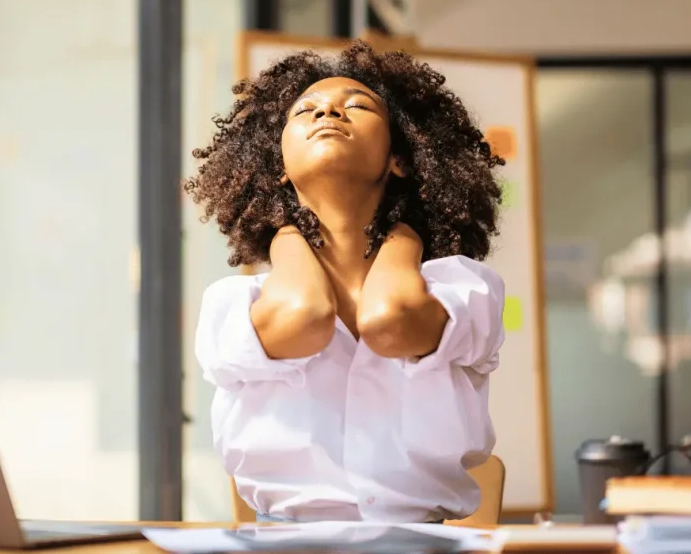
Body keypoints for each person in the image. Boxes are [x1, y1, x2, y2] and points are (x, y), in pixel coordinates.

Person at [184, 41, 507, 524]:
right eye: (304, 111)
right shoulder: (233, 304)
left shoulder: (463, 289)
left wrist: (404, 236)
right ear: (279, 172)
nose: (328, 109)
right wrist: (287, 238)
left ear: (399, 159)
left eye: (357, 105)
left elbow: (391, 320)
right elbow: (305, 315)